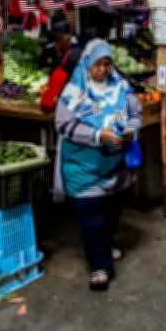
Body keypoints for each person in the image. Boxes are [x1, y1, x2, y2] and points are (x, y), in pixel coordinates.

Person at [53, 39, 142, 291]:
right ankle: (99, 266)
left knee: (111, 212)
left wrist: (130, 131)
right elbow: (63, 124)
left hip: (114, 165)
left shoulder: (121, 86)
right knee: (91, 217)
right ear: (87, 64)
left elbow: (136, 114)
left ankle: (104, 245)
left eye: (106, 64)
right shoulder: (74, 91)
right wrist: (97, 135)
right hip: (83, 166)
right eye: (97, 65)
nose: (102, 70)